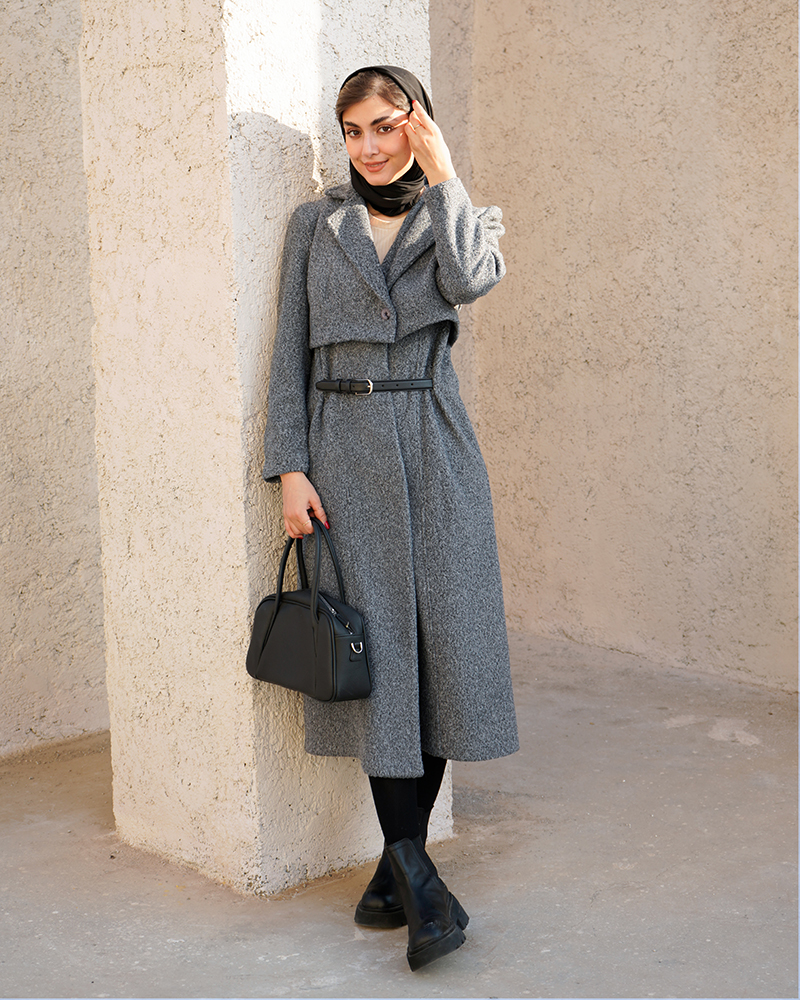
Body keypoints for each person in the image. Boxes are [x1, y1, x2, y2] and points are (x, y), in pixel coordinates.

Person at [262, 65, 519, 971]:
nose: (369, 147)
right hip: (345, 453)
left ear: (419, 125)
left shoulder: (462, 216)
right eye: (354, 131)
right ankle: (417, 878)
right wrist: (289, 469)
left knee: (440, 652)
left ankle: (391, 877)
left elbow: (472, 280)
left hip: (436, 444)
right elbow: (288, 352)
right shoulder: (316, 223)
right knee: (383, 661)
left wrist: (444, 175)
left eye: (387, 126)